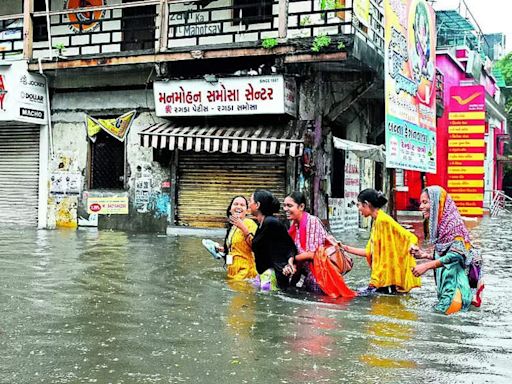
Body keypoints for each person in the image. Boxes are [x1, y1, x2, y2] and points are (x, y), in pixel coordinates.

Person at [411, 186, 484, 315]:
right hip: (446, 292)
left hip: (455, 296)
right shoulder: (442, 228)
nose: (421, 207)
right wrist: (424, 255)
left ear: (437, 204)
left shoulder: (453, 226)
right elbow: (445, 256)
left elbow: (456, 255)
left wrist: (426, 266)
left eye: (425, 202)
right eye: (421, 203)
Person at [342, 188, 421, 294]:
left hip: (386, 280)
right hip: (383, 280)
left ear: (366, 204)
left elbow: (410, 236)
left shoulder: (383, 220)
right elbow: (369, 252)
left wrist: (412, 246)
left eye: (359, 205)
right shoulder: (376, 221)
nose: (358, 209)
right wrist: (344, 248)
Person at [283, 191, 355, 298]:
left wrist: (292, 260)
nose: (285, 209)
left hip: (321, 277)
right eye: (284, 206)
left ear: (301, 206)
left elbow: (312, 254)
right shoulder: (295, 226)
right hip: (311, 277)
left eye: (289, 206)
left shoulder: (312, 222)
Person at [248, 189, 297, 290]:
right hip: (266, 274)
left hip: (275, 275)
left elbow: (289, 246)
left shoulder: (270, 223)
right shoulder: (262, 223)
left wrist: (289, 263)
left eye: (250, 201)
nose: (248, 204)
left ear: (257, 205)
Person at [220, 195, 258, 280]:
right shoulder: (232, 226)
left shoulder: (249, 223)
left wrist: (243, 228)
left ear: (247, 210)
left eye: (242, 205)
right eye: (236, 204)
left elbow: (256, 247)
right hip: (233, 271)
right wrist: (223, 249)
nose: (238, 207)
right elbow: (236, 248)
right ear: (230, 209)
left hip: (245, 272)